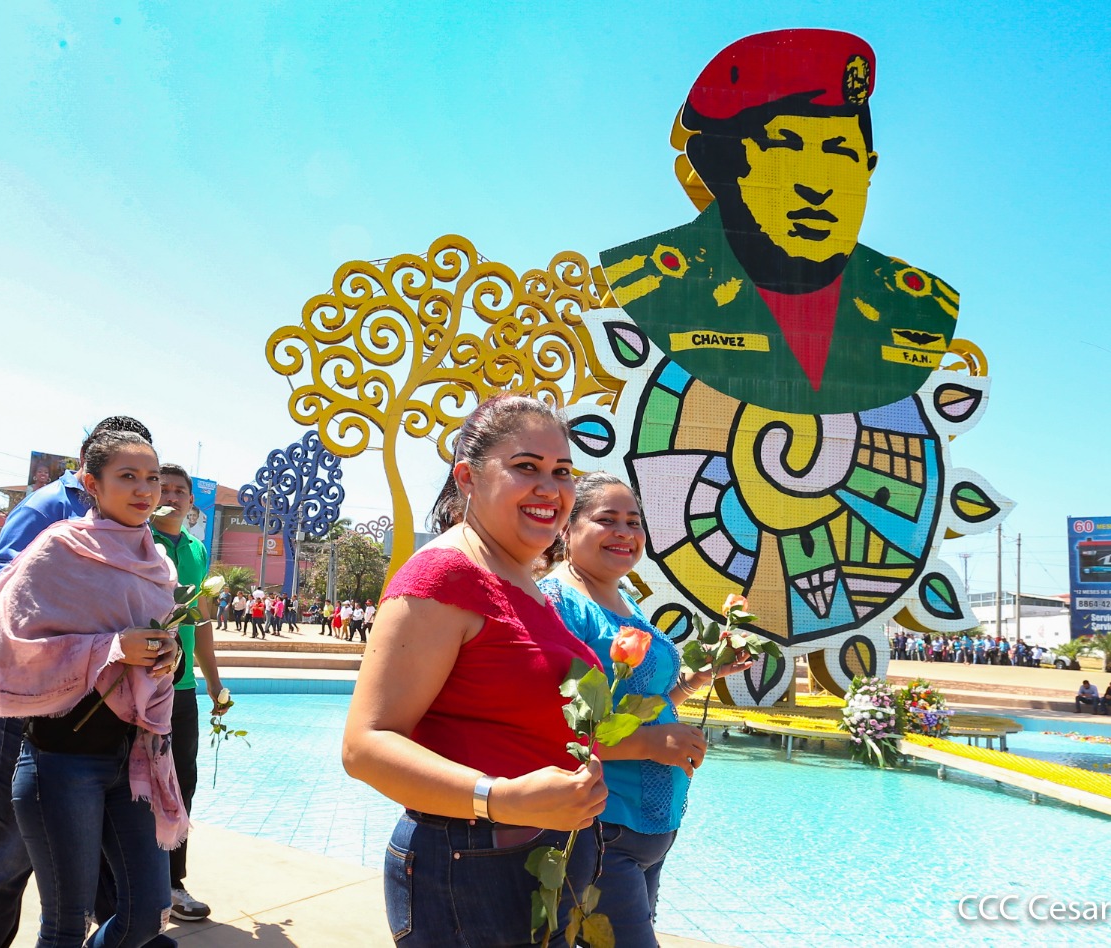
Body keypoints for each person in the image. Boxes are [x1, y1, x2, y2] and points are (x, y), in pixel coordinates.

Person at [342, 394, 608, 946]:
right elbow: (364, 746)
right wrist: (501, 797)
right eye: (526, 467)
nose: (550, 487)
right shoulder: (444, 576)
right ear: (467, 478)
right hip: (470, 872)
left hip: (532, 862)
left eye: (562, 471)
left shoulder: (520, 579)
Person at [599, 29, 958, 417]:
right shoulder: (649, 288)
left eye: (840, 152)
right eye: (784, 146)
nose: (818, 186)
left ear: (868, 169)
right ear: (719, 162)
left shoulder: (921, 307)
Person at [0, 429, 186, 948]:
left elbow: (150, 642)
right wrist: (112, 647)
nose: (145, 490)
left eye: (152, 478)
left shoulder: (157, 561)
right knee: (62, 922)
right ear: (91, 484)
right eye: (127, 476)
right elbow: (15, 647)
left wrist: (169, 654)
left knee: (148, 914)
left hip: (132, 756)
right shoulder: (59, 547)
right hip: (62, 757)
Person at [539, 472, 752, 946]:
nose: (625, 532)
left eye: (634, 522)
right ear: (567, 528)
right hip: (600, 828)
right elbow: (549, 728)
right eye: (607, 519)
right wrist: (651, 744)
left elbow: (637, 708)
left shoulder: (625, 599)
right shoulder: (559, 603)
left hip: (648, 829)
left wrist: (699, 678)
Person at [150, 464, 228, 923]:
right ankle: (123, 882)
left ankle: (172, 882)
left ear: (191, 503)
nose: (172, 497)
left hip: (181, 688)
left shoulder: (196, 550)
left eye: (181, 491)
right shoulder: (137, 539)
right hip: (140, 685)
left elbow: (201, 622)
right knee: (134, 784)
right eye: (165, 489)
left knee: (182, 783)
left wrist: (213, 681)